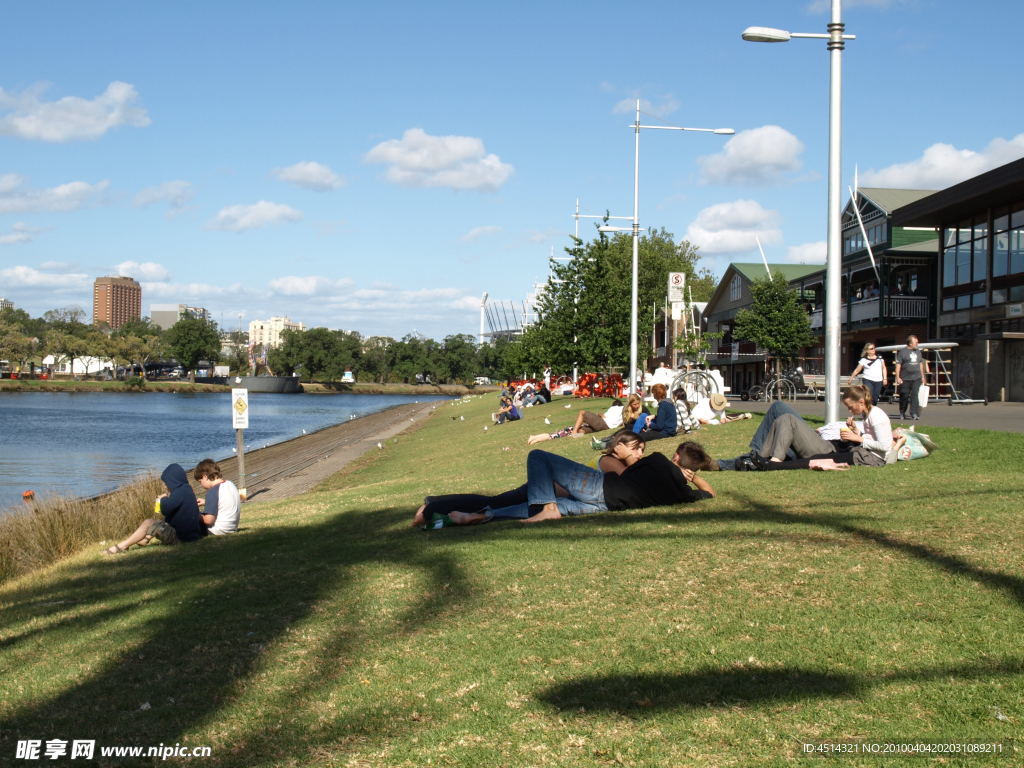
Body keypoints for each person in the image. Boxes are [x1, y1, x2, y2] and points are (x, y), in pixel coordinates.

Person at [433, 431, 715, 525]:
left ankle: (548, 508)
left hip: (601, 489)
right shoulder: (683, 494)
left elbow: (627, 473)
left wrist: (625, 452)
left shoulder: (656, 460)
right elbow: (710, 494)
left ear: (676, 456)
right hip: (608, 507)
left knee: (539, 457)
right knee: (539, 507)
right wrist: (693, 481)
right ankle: (485, 516)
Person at [413, 431, 647, 527]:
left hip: (547, 491)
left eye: (642, 451)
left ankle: (435, 504)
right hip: (546, 491)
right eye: (636, 449)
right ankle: (432, 508)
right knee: (495, 502)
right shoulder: (611, 462)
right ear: (619, 447)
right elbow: (626, 487)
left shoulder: (613, 462)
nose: (639, 455)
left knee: (495, 502)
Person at [716, 386, 892, 470]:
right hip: (823, 439)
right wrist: (855, 431)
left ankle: (767, 461)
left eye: (850, 406)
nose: (849, 410)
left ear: (861, 402)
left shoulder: (877, 415)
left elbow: (884, 446)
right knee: (778, 408)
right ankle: (758, 456)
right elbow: (867, 438)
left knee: (787, 419)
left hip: (827, 447)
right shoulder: (866, 414)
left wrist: (858, 438)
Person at [104, 463, 206, 554]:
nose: (165, 485)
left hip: (182, 538)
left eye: (167, 482)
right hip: (192, 535)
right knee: (161, 521)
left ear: (173, 480)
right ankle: (145, 539)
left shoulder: (179, 493)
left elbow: (165, 509)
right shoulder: (186, 489)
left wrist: (163, 499)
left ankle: (122, 546)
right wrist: (168, 497)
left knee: (148, 522)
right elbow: (170, 514)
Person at [526, 399, 623, 445]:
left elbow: (602, 416)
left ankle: (536, 438)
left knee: (582, 414)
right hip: (601, 425)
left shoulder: (615, 408)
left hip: (603, 423)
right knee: (579, 431)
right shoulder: (619, 411)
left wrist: (600, 415)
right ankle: (535, 438)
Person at [193, 458, 240, 535]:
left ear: (205, 476)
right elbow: (224, 502)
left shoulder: (213, 491)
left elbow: (208, 520)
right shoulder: (230, 484)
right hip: (231, 528)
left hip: (217, 530)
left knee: (188, 520)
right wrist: (207, 502)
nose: (201, 485)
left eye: (200, 482)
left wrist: (194, 514)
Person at [894, 334, 929, 420]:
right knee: (904, 395)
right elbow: (898, 365)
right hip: (905, 378)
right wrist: (898, 377)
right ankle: (902, 412)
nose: (917, 344)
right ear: (910, 343)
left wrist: (922, 376)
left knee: (915, 395)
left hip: (916, 378)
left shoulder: (918, 352)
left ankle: (914, 413)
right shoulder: (902, 352)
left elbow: (920, 364)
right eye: (916, 342)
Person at [849, 342, 887, 406]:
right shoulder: (864, 359)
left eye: (874, 348)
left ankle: (872, 410)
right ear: (867, 351)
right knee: (869, 396)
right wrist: (851, 378)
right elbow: (857, 370)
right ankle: (866, 411)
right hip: (868, 379)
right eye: (871, 348)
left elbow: (884, 368)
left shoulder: (880, 358)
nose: (873, 350)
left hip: (878, 380)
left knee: (875, 398)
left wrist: (885, 378)